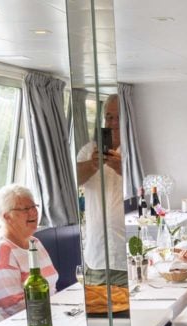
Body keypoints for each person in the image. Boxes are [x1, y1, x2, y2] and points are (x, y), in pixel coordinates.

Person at [0, 184, 58, 318]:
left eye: (33, 207)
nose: (34, 212)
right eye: (26, 209)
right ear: (7, 216)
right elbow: (15, 305)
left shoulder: (34, 242)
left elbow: (52, 289)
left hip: (45, 314)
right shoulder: (0, 250)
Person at [76, 94, 127, 285]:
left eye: (118, 117)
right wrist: (92, 164)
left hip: (127, 255)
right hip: (97, 255)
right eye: (109, 117)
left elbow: (147, 189)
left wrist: (123, 168)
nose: (113, 122)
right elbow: (74, 180)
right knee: (100, 312)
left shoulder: (134, 153)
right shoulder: (88, 151)